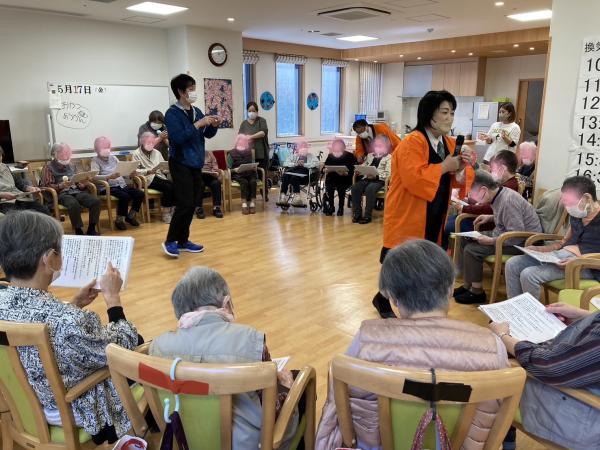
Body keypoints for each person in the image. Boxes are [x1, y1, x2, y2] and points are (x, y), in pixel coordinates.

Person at [315, 240, 509, 450]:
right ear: (451, 289)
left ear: (393, 298)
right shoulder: (492, 346)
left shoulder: (365, 339)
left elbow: (342, 402)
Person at [0, 211, 139, 445]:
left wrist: (74, 304)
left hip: (20, 400)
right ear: (50, 259)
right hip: (64, 408)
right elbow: (126, 344)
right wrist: (113, 299)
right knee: (139, 346)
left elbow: (39, 321)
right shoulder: (67, 321)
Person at [150, 266, 299, 449]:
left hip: (184, 440)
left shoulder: (157, 347)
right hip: (246, 444)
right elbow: (271, 408)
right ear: (226, 303)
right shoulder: (250, 340)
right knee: (299, 381)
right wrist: (287, 386)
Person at [374, 90, 475, 317]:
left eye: (452, 112)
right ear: (430, 115)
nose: (450, 118)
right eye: (445, 112)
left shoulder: (449, 143)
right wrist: (445, 167)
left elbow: (458, 180)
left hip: (435, 209)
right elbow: (414, 178)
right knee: (399, 259)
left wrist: (460, 167)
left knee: (425, 257)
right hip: (409, 210)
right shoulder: (412, 141)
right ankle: (383, 298)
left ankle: (417, 304)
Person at [490, 303, 600, 449]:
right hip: (574, 381)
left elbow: (551, 366)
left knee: (495, 367)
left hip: (580, 418)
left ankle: (504, 441)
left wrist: (503, 336)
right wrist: (582, 316)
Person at [505, 175, 600, 300]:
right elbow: (563, 243)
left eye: (570, 203)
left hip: (588, 266)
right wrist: (540, 250)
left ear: (587, 198)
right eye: (565, 203)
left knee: (529, 275)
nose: (568, 208)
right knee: (512, 264)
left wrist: (577, 262)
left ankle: (533, 316)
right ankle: (515, 309)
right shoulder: (578, 214)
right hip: (562, 257)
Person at [454, 170, 542, 304]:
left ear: (483, 190)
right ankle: (468, 285)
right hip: (508, 236)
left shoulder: (507, 200)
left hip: (524, 243)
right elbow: (508, 219)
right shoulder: (499, 194)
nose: (469, 196)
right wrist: (490, 217)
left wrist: (491, 241)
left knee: (473, 249)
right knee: (464, 239)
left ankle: (476, 292)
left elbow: (516, 233)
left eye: (471, 193)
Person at [162, 73, 221, 258]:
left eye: (194, 88)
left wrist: (214, 125)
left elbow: (207, 134)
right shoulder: (172, 113)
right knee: (185, 203)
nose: (194, 92)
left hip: (196, 163)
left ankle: (183, 241)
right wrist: (197, 124)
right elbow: (177, 138)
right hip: (180, 162)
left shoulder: (196, 111)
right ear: (180, 91)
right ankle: (170, 241)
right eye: (190, 89)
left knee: (193, 202)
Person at [442, 150, 520, 249]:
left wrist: (465, 208)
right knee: (445, 222)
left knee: (444, 227)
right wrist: (469, 202)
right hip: (480, 218)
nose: (491, 172)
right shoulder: (503, 183)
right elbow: (487, 201)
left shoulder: (509, 187)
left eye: (493, 169)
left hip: (483, 223)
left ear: (502, 168)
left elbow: (490, 209)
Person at [40, 142, 101, 235]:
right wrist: (61, 186)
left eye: (67, 153)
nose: (65, 156)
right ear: (54, 154)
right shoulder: (48, 167)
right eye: (62, 153)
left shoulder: (72, 165)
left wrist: (83, 184)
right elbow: (47, 185)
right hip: (61, 194)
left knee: (95, 201)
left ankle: (91, 228)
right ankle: (78, 229)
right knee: (73, 204)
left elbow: (78, 182)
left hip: (76, 191)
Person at [91, 136, 144, 231]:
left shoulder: (114, 157)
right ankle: (119, 220)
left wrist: (130, 174)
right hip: (107, 187)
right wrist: (108, 177)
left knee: (139, 193)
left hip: (121, 185)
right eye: (102, 147)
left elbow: (122, 171)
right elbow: (94, 177)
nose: (106, 150)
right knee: (125, 196)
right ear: (96, 149)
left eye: (107, 147)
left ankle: (130, 216)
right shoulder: (95, 160)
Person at [132, 132, 174, 224]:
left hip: (159, 176)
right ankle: (166, 213)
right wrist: (147, 171)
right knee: (168, 186)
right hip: (146, 179)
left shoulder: (157, 152)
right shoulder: (136, 154)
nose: (150, 145)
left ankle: (171, 210)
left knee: (173, 185)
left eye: (152, 143)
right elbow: (134, 171)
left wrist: (167, 168)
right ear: (142, 142)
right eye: (148, 143)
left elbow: (163, 167)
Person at [351, 135, 392, 224]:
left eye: (379, 146)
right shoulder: (370, 155)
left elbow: (389, 173)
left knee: (370, 189)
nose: (377, 147)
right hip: (367, 177)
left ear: (386, 146)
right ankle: (357, 214)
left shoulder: (389, 157)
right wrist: (359, 170)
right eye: (376, 145)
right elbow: (365, 165)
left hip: (380, 180)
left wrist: (376, 176)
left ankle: (367, 215)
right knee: (355, 188)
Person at [0, 146, 49, 215]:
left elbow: (17, 183)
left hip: (19, 198)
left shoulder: (4, 167)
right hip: (4, 203)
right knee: (20, 217)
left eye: (0, 156)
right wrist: (2, 195)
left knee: (43, 211)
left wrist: (29, 188)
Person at [277, 140, 319, 207]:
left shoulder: (311, 156)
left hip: (304, 177)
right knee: (285, 175)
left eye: (305, 147)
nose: (303, 148)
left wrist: (304, 164)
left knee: (294, 177)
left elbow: (316, 164)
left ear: (307, 148)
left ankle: (297, 198)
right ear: (298, 148)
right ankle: (283, 196)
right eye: (301, 147)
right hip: (292, 173)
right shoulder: (293, 156)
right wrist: (295, 164)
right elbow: (285, 163)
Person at [322, 138, 355, 216]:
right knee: (329, 187)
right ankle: (331, 206)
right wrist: (325, 170)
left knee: (341, 188)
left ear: (343, 147)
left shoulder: (350, 156)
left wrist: (346, 173)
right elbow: (324, 168)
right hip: (332, 177)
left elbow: (353, 169)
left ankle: (340, 208)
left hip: (344, 178)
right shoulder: (330, 156)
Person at [238, 101, 270, 180]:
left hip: (261, 154)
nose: (251, 112)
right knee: (251, 178)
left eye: (254, 111)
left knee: (262, 176)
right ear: (247, 111)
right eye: (249, 111)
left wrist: (250, 137)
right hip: (248, 155)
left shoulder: (262, 121)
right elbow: (240, 136)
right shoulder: (244, 124)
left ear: (257, 111)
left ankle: (264, 192)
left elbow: (263, 133)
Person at [229, 134, 258, 215]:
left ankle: (252, 203)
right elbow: (227, 168)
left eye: (244, 140)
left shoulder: (249, 151)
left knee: (253, 182)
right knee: (244, 182)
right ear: (237, 141)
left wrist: (254, 167)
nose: (243, 141)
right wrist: (235, 169)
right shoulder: (231, 153)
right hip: (238, 174)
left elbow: (252, 163)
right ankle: (244, 204)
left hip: (250, 173)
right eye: (241, 140)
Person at [196, 150, 224, 219]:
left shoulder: (209, 153)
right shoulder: (192, 153)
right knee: (200, 184)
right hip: (198, 175)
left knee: (216, 183)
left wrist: (215, 172)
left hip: (209, 175)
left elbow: (215, 166)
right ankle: (198, 208)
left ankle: (216, 208)